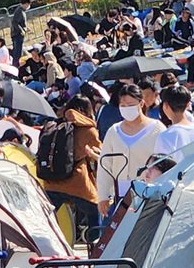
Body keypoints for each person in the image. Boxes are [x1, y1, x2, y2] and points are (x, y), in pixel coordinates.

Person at [38, 93, 100, 238]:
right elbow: (99, 153)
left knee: (45, 216)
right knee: (95, 210)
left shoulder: (56, 125)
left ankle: (42, 241)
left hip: (52, 182)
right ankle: (95, 243)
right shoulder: (88, 130)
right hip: (77, 183)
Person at [96, 86, 162, 212]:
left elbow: (164, 163)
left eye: (131, 105)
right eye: (123, 105)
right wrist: (103, 196)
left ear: (141, 103)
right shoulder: (113, 131)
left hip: (148, 197)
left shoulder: (157, 129)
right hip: (119, 199)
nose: (127, 109)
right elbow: (104, 165)